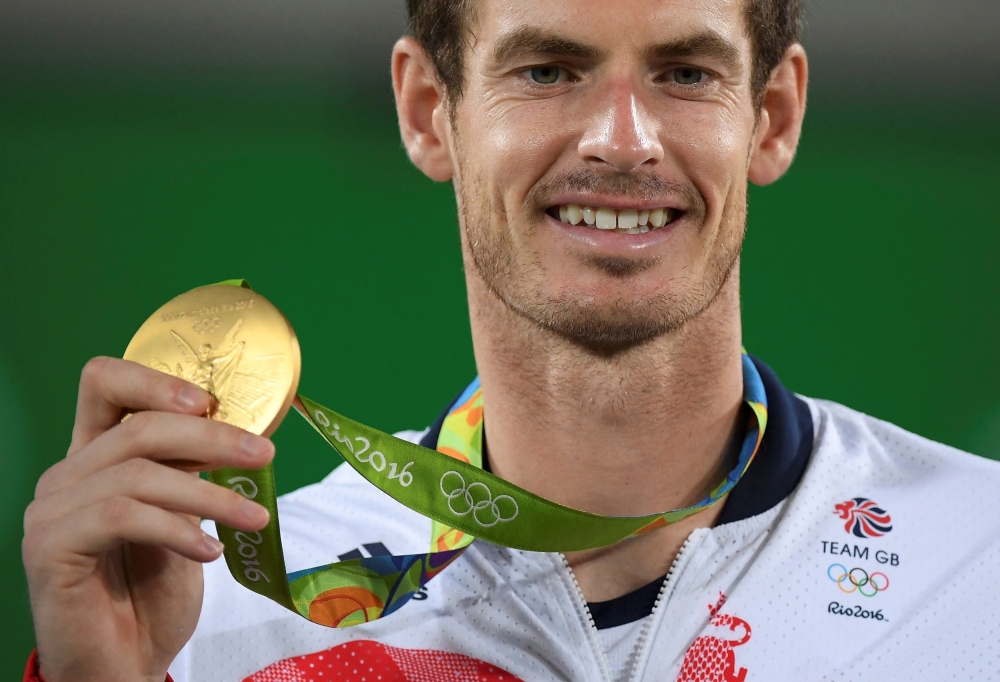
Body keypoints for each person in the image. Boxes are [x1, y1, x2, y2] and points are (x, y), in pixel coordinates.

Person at [21, 0, 1000, 680]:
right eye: (547, 69)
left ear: (772, 116)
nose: (622, 138)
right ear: (427, 111)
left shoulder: (979, 567)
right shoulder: (223, 615)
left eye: (685, 72)